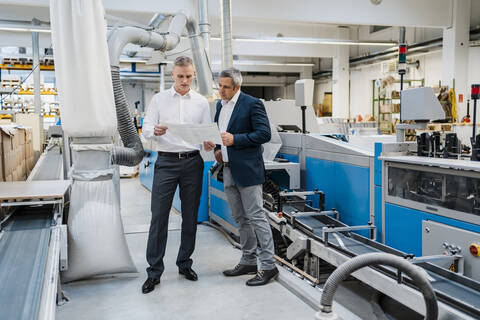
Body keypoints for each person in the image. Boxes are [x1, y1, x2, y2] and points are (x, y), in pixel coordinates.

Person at [141, 56, 211, 294]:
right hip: (167, 163)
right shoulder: (159, 100)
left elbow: (207, 133)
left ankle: (184, 264)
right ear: (173, 75)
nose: (184, 80)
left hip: (193, 162)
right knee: (159, 217)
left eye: (189, 76)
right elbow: (147, 128)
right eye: (180, 76)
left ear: (193, 75)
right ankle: (154, 272)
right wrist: (154, 131)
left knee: (190, 216)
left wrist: (210, 143)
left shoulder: (201, 103)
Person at [204, 68, 278, 286]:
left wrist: (236, 139)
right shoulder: (220, 106)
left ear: (237, 87)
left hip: (248, 170)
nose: (222, 91)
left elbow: (264, 134)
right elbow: (220, 135)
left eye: (226, 87)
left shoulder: (252, 104)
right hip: (227, 168)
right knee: (240, 218)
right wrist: (216, 147)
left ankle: (268, 266)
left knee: (256, 217)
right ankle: (248, 260)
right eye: (220, 86)